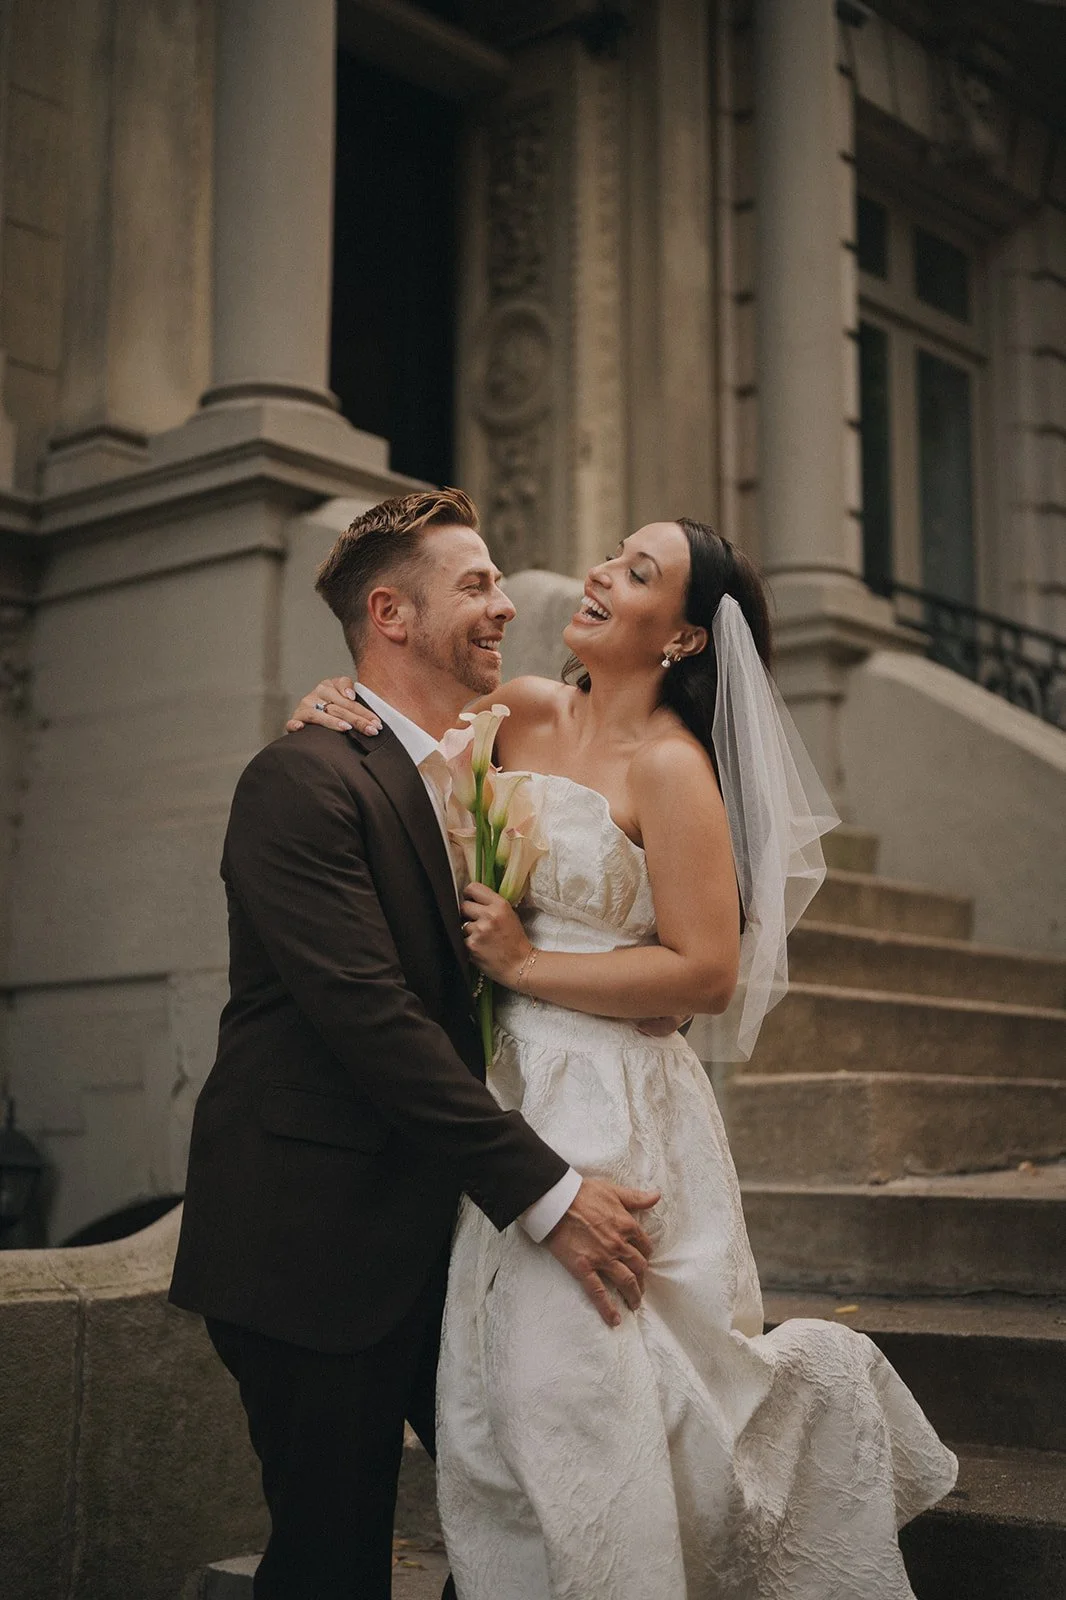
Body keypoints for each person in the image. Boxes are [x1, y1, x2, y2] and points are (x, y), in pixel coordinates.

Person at [291, 512, 958, 1599]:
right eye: (611, 554)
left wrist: (521, 964)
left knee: (584, 1375)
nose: (599, 573)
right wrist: (330, 704)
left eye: (638, 571)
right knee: (493, 1388)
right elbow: (405, 731)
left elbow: (702, 974)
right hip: (506, 1090)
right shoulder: (520, 709)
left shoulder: (675, 768)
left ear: (684, 638)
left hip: (613, 1097)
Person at [169, 488, 663, 1600]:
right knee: (331, 1564)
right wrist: (547, 1192)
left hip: (438, 1241)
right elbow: (373, 1025)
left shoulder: (465, 779)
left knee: (525, 1526)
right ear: (390, 615)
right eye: (478, 584)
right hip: (311, 1246)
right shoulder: (299, 779)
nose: (505, 607)